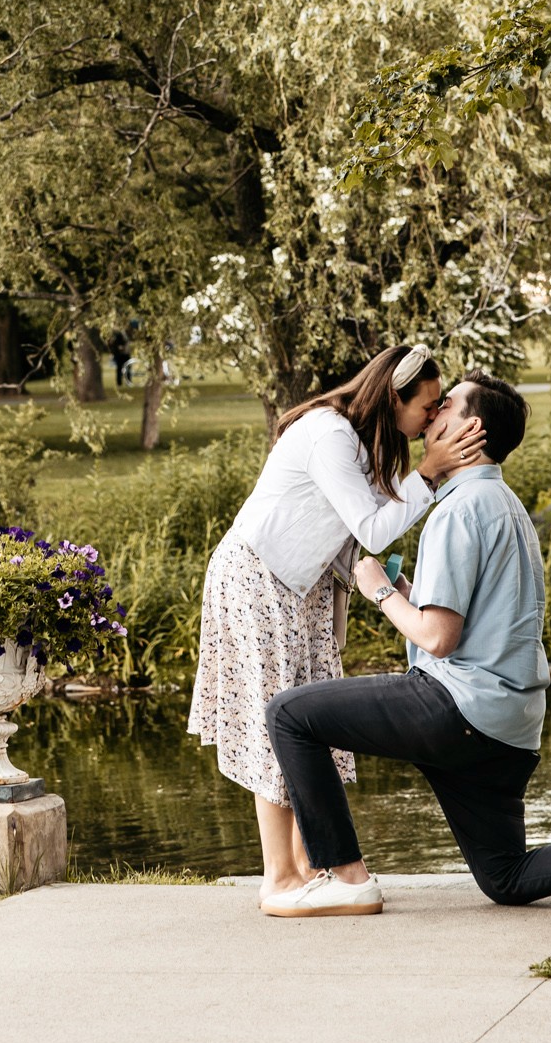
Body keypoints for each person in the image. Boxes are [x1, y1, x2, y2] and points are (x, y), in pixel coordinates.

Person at [262, 372, 551, 924]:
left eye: (445, 405)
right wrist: (406, 594)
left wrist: (376, 589)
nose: (432, 412)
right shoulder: (505, 504)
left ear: (470, 428)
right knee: (506, 876)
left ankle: (345, 877)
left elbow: (439, 639)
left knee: (290, 713)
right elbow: (471, 615)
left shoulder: (460, 509)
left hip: (458, 710)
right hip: (511, 729)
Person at [188, 344, 486, 904]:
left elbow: (362, 532)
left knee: (308, 724)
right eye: (425, 408)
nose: (429, 419)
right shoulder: (329, 433)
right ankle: (280, 878)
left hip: (304, 589)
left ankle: (314, 868)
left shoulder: (358, 440)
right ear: (391, 398)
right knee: (275, 720)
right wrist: (431, 469)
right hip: (258, 579)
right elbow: (373, 530)